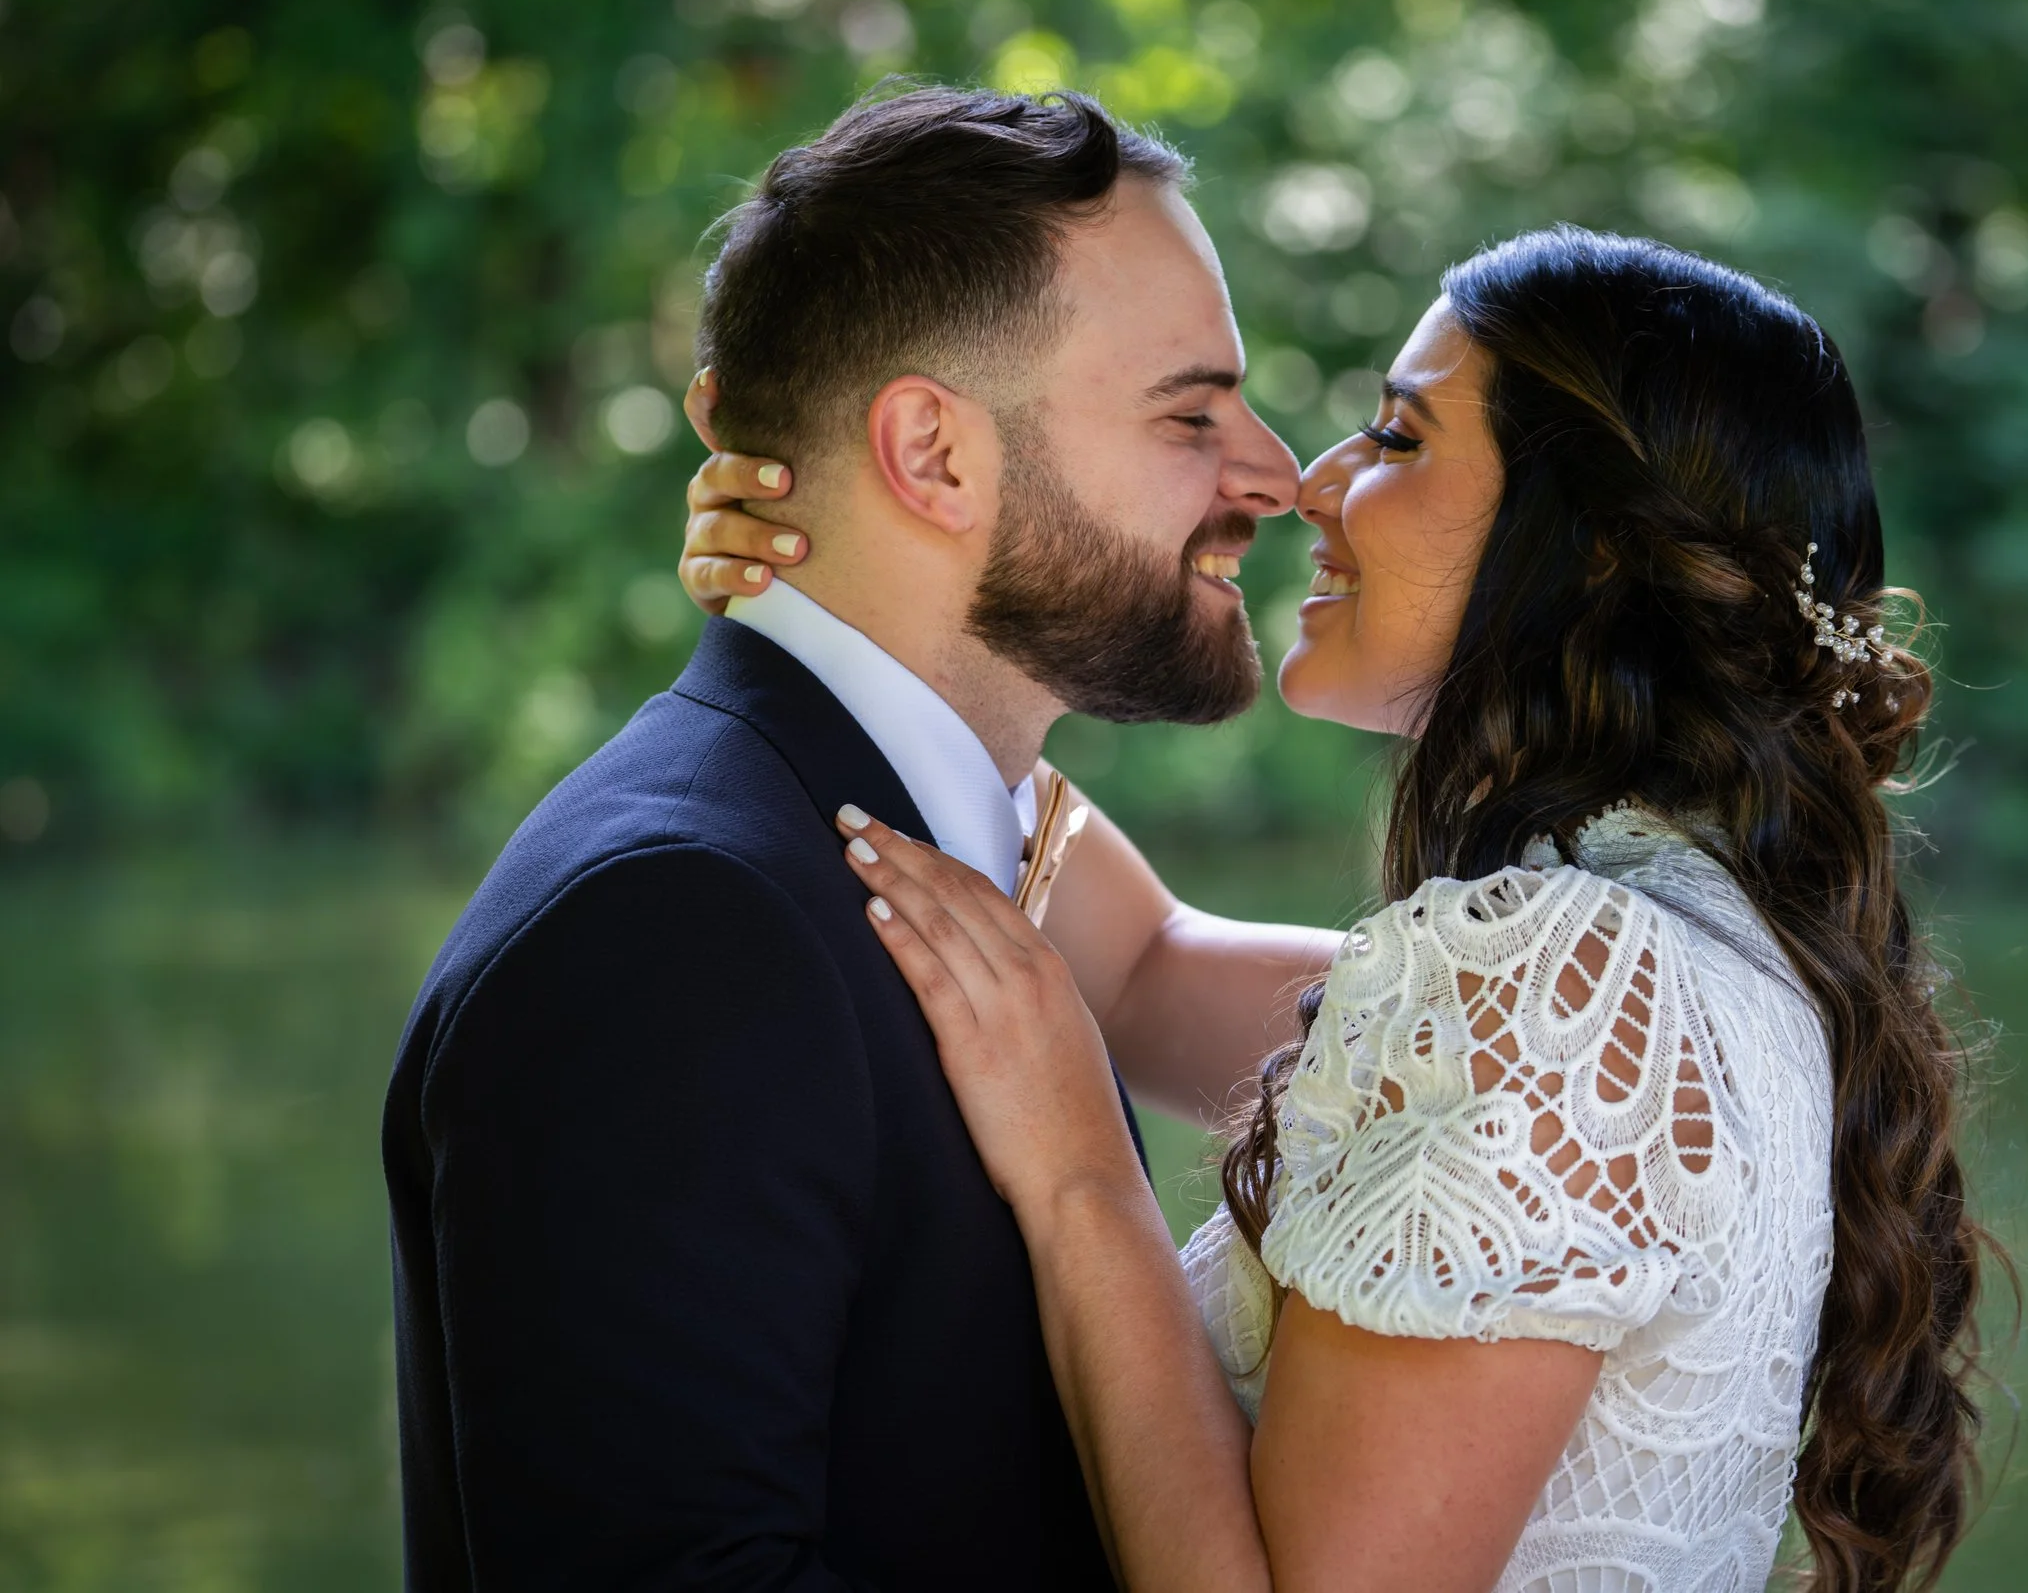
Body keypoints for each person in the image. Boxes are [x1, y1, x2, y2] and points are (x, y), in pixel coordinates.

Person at [682, 227, 2003, 1591]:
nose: (1312, 483)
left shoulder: (1561, 980)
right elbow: (1138, 970)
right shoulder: (1692, 953)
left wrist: (1082, 1177)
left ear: (1594, 550)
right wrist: (864, 601)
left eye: (1398, 436)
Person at [383, 86, 1346, 1591]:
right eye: (1190, 411)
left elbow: (1162, 971)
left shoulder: (948, 843)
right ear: (934, 456)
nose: (1276, 471)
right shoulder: (673, 929)